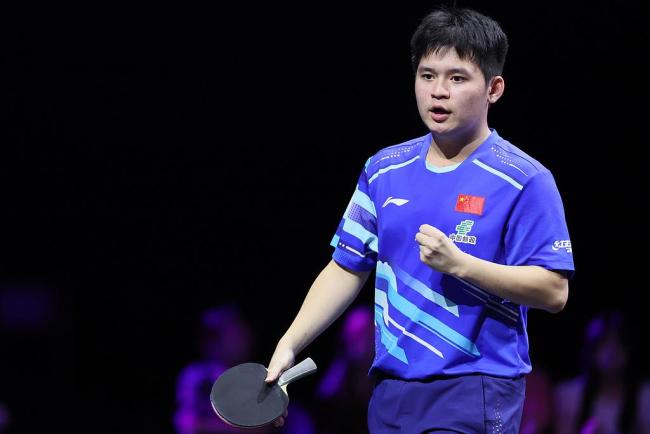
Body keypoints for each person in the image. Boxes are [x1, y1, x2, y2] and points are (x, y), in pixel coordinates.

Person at [265, 6, 574, 433]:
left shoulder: (524, 179)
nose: (438, 92)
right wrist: (289, 343)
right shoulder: (383, 170)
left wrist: (461, 265)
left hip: (475, 388)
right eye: (427, 75)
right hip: (389, 392)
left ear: (494, 88)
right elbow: (346, 267)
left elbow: (554, 291)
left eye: (457, 78)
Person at [553, 311, 650, 434]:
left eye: (619, 343)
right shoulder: (569, 394)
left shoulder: (645, 395)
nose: (612, 352)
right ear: (591, 349)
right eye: (604, 343)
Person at [314, 305, 375, 434]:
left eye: (367, 334)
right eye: (356, 336)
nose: (362, 342)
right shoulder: (338, 379)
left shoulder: (382, 375)